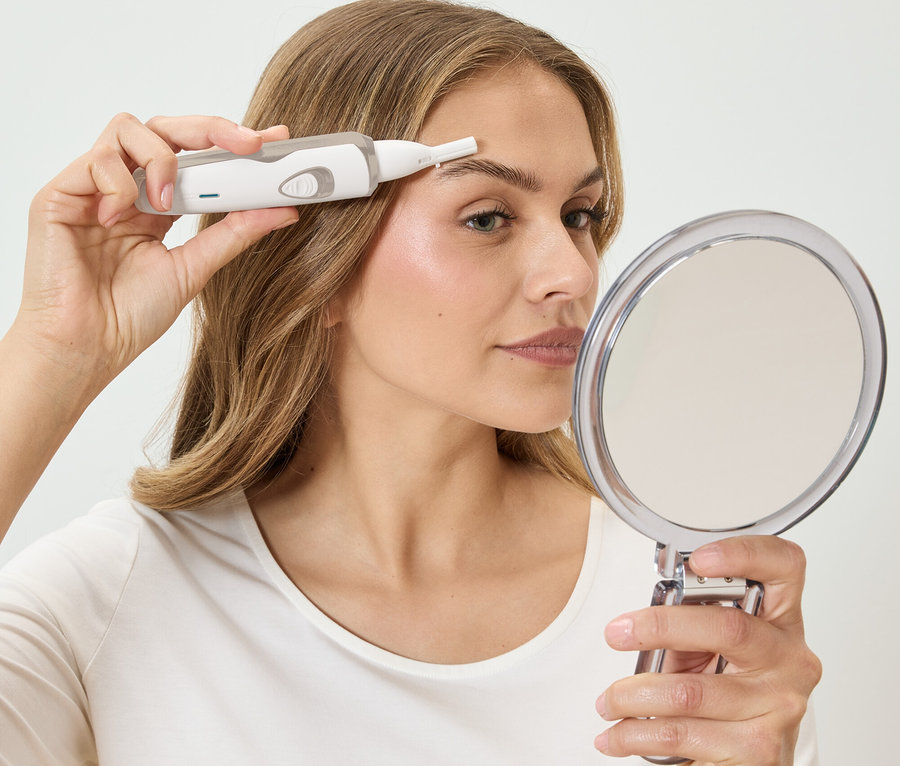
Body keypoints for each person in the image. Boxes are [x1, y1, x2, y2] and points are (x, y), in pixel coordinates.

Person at [0, 1, 821, 763]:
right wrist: (56, 349)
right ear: (319, 265)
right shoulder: (111, 599)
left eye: (579, 215)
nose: (570, 272)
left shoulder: (686, 608)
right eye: (487, 217)